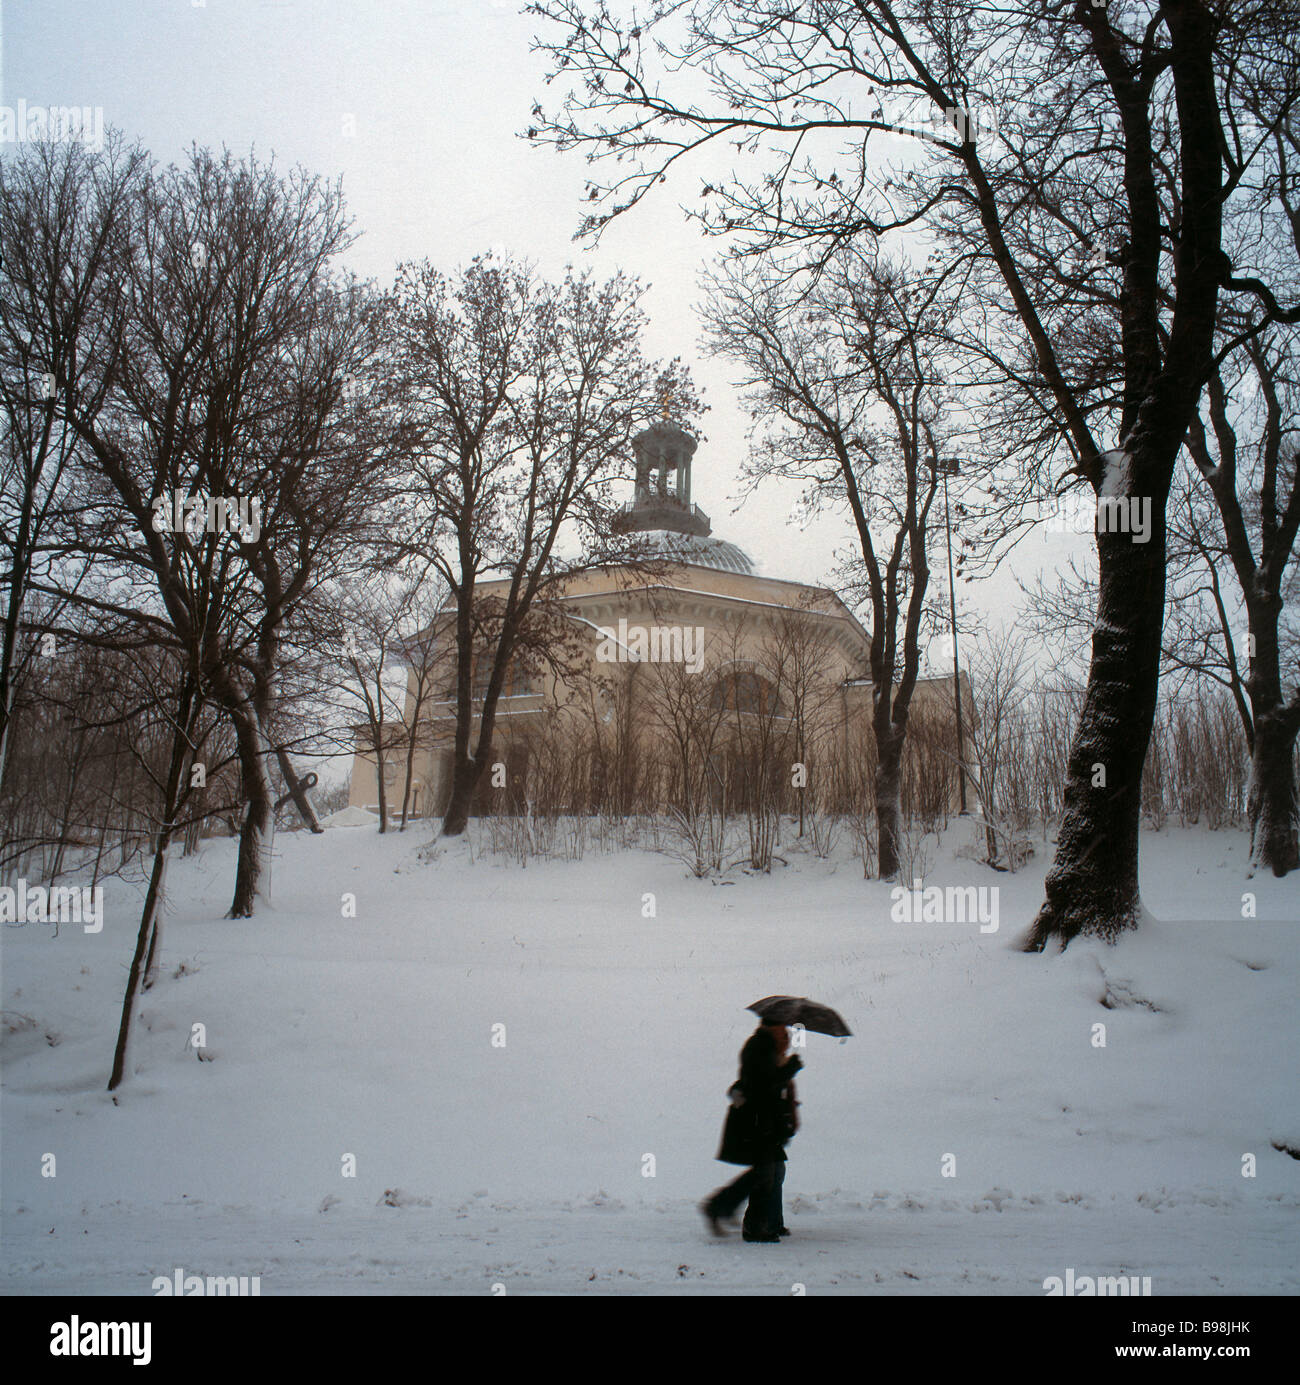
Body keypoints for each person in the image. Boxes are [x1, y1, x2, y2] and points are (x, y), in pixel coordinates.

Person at [701, 1021, 802, 1242]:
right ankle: (746, 1222)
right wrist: (788, 1070)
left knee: (773, 1170)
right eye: (782, 1031)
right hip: (756, 1122)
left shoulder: (766, 1048)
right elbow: (763, 1085)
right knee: (765, 1173)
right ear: (771, 1028)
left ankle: (769, 1221)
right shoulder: (759, 1048)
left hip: (766, 1122)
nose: (786, 1036)